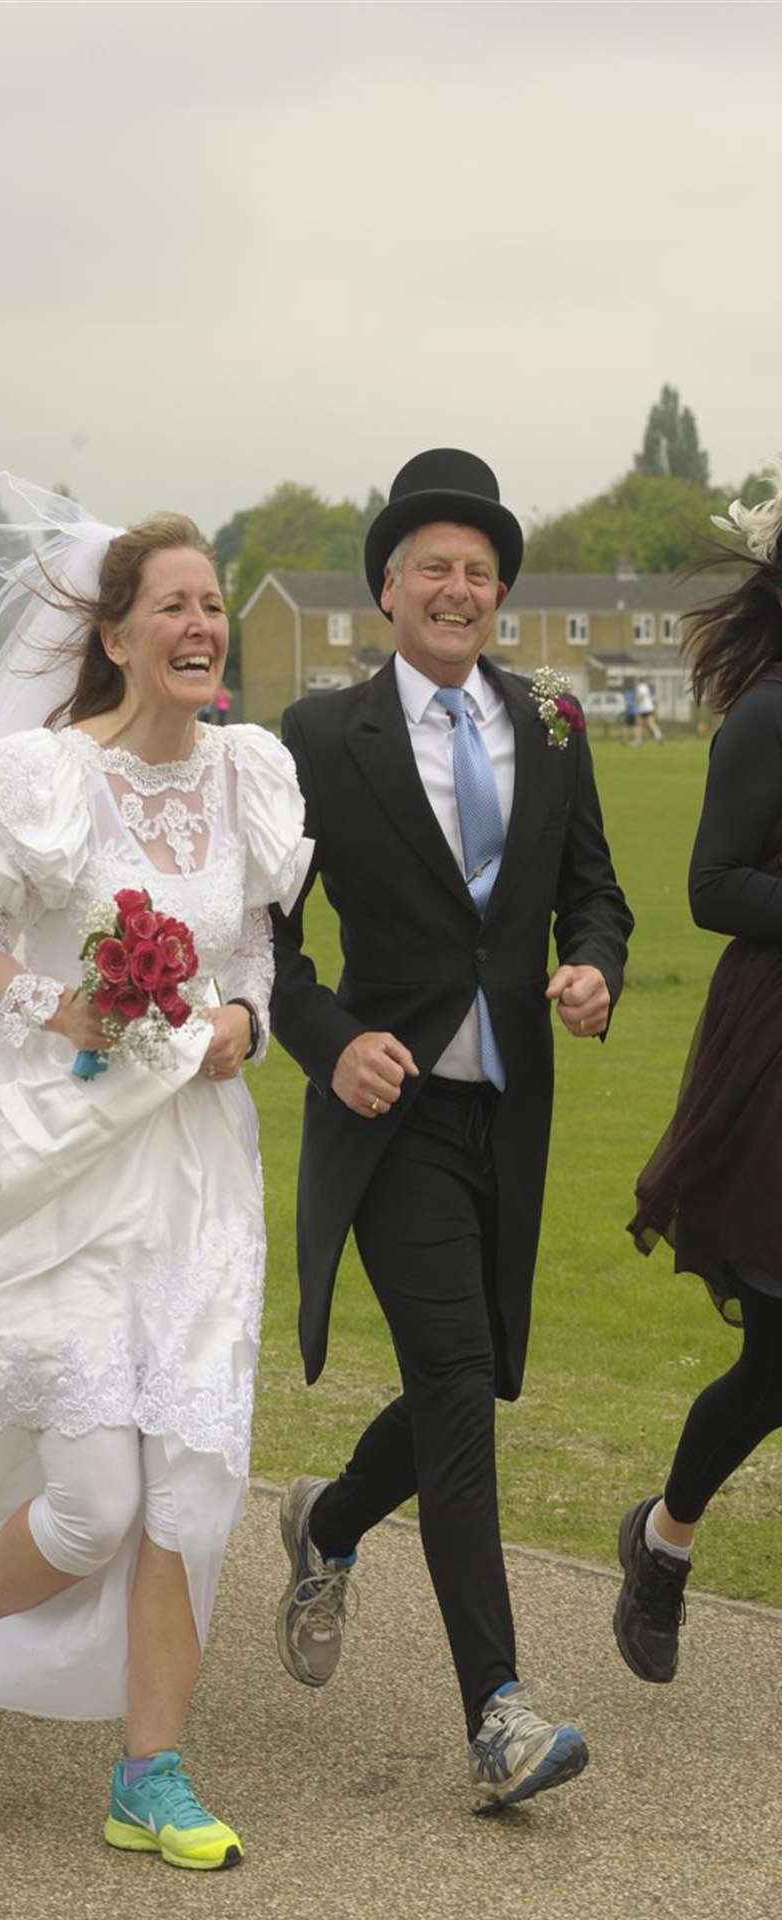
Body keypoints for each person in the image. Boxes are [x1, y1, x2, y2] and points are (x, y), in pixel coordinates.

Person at [0, 476, 311, 1866]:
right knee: (95, 1504)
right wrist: (56, 1008)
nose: (201, 625)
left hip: (196, 1170)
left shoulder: (251, 773)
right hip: (72, 1174)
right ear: (119, 635)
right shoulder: (47, 780)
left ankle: (152, 1775)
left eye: (211, 605)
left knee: (186, 1496)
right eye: (173, 606)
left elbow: (253, 949)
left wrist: (243, 1020)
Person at [268, 448, 633, 1809]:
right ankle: (501, 1713)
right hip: (390, 1114)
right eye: (435, 564)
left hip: (511, 1114)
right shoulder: (318, 737)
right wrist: (328, 1041)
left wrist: (592, 965)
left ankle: (332, 1515)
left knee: (463, 1385)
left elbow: (597, 897)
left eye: (480, 570)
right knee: (462, 1382)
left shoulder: (552, 727)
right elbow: (269, 940)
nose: (458, 587)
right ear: (387, 587)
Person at [621, 465, 782, 1682]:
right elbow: (712, 886)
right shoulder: (768, 714)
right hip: (775, 1049)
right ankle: (664, 1542)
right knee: (779, 1360)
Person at [634, 678, 662, 744]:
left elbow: (642, 695)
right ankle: (658, 736)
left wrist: (636, 701)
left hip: (644, 708)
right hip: (647, 708)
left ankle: (638, 740)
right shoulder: (645, 687)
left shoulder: (641, 687)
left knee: (639, 724)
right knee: (649, 724)